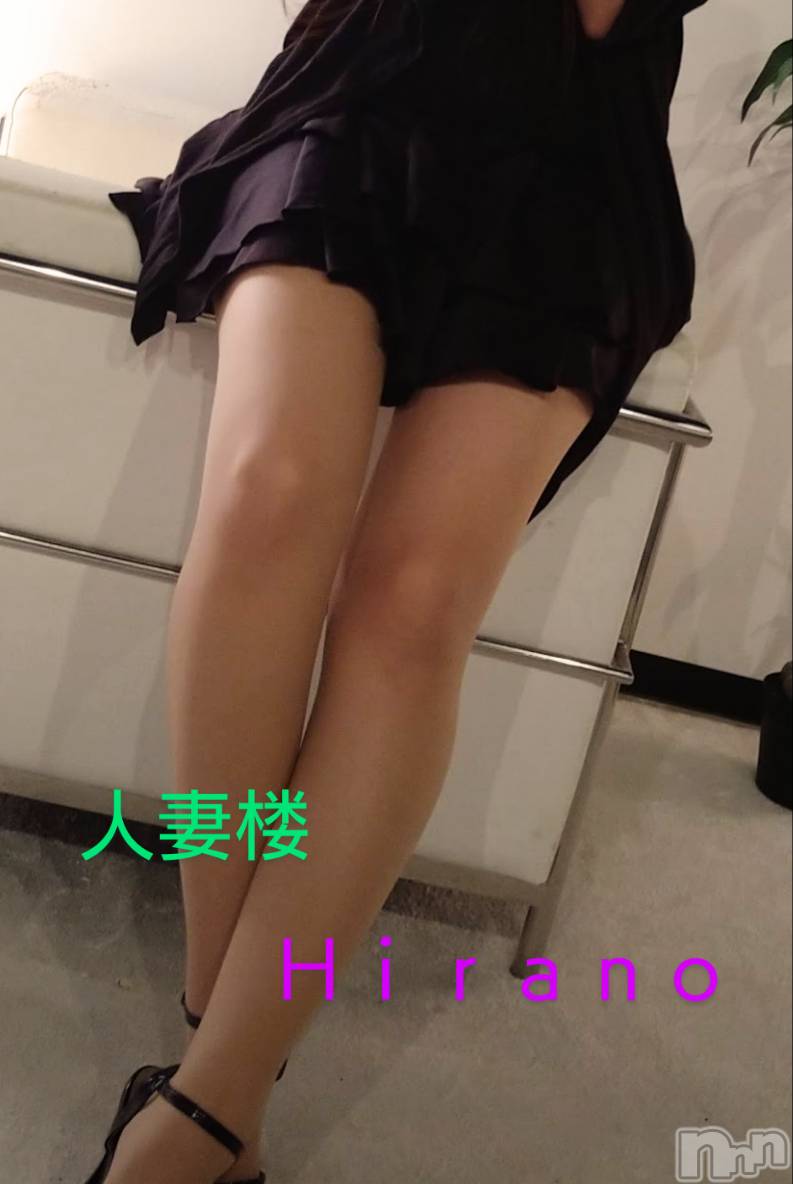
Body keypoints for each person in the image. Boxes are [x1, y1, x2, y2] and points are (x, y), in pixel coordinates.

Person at [89, 0, 709, 1180]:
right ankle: (218, 1079)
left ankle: (201, 1105)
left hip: (581, 139)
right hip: (366, 77)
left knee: (415, 601)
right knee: (269, 492)